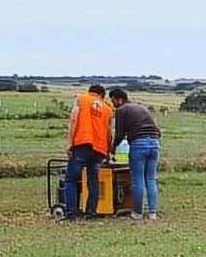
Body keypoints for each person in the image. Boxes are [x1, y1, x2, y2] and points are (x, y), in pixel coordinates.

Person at [107, 89, 162, 220]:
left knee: (137, 180)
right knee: (151, 179)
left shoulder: (121, 110)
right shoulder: (142, 108)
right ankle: (152, 213)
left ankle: (137, 213)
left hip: (139, 144)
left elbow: (119, 134)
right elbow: (157, 131)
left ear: (119, 99)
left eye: (113, 100)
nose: (113, 104)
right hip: (154, 144)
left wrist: (112, 149)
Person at [62, 84, 114, 220]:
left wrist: (69, 143)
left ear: (90, 92)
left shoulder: (81, 99)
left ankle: (71, 213)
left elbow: (74, 119)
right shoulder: (108, 109)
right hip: (99, 149)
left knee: (71, 179)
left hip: (82, 143)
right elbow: (109, 133)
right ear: (102, 95)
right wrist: (108, 151)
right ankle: (91, 212)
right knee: (93, 180)